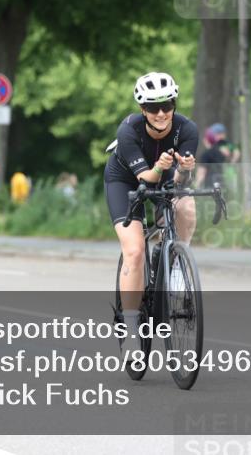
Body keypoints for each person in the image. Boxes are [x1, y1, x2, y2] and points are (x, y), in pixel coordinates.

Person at [104, 72, 197, 342]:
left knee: (187, 205)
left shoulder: (187, 129)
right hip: (125, 180)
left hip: (163, 175)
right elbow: (146, 179)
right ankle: (131, 329)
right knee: (134, 251)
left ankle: (177, 262)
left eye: (166, 105)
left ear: (174, 105)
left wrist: (185, 171)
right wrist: (160, 167)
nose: (161, 113)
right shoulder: (128, 130)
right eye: (153, 107)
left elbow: (180, 181)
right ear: (142, 110)